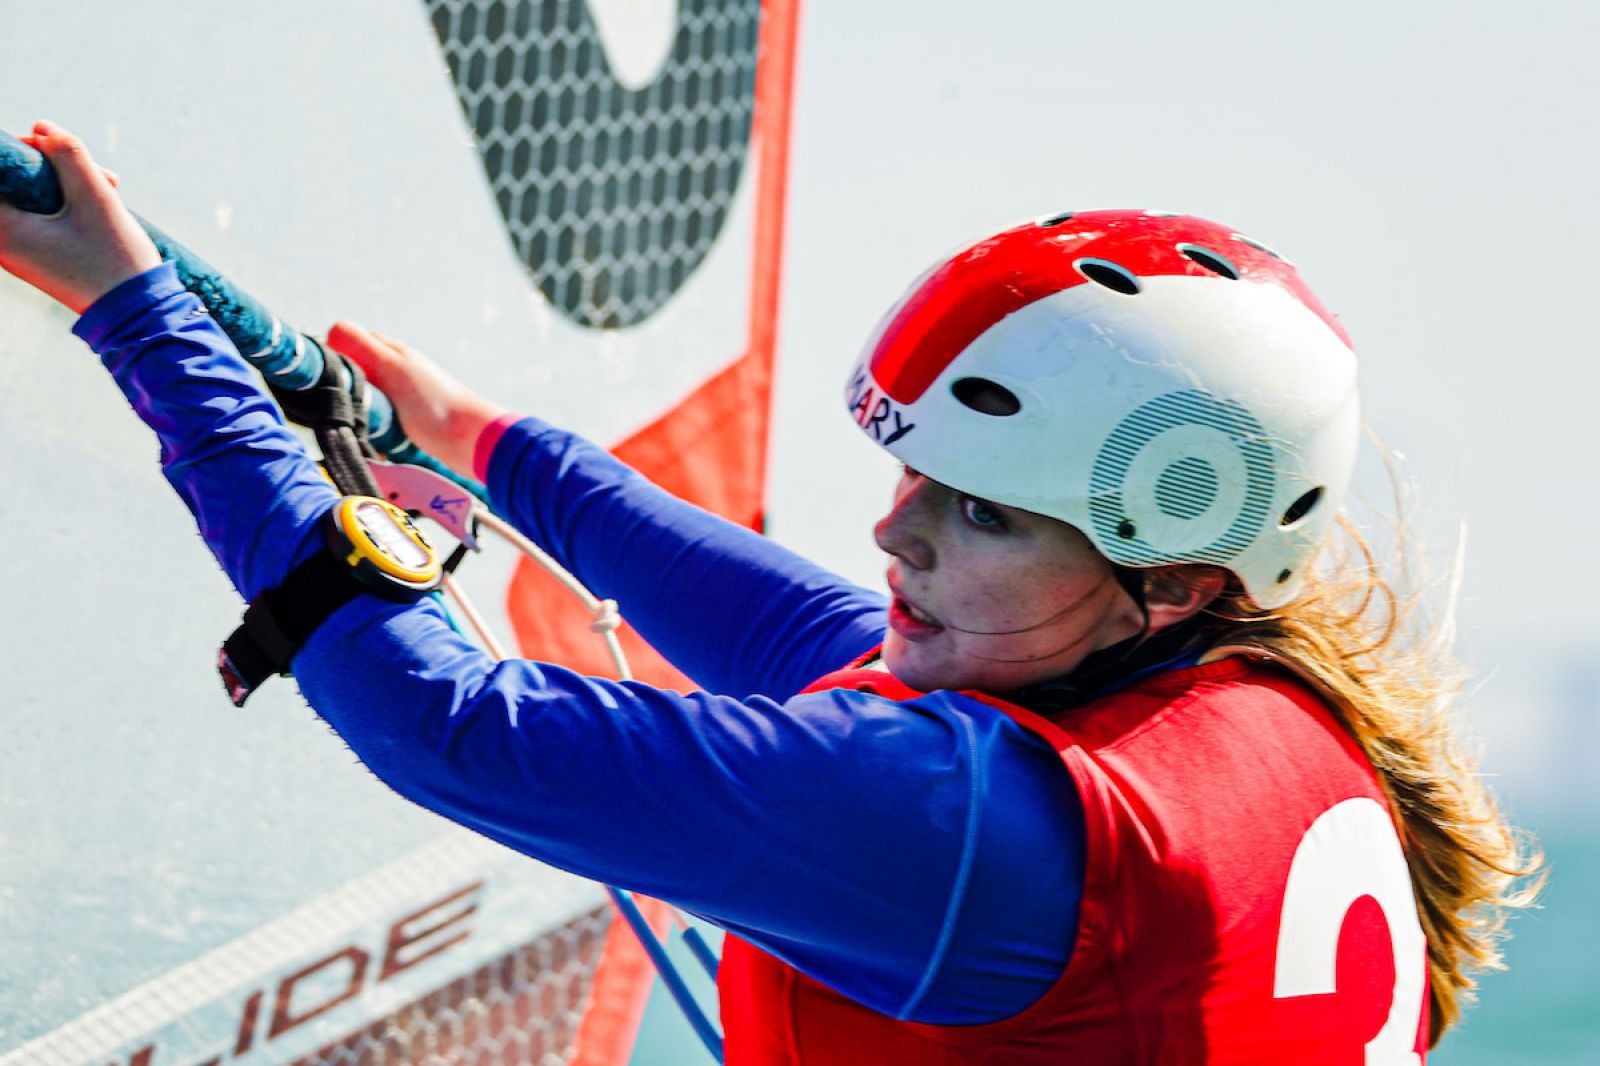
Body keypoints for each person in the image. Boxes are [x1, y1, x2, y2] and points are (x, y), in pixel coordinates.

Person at [0, 121, 1538, 1064]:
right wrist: (476, 442)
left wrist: (140, 320)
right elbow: (796, 627)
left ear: (1171, 577)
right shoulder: (1244, 711)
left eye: (981, 511)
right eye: (915, 474)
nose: (895, 531)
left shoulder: (986, 835)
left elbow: (444, 724)